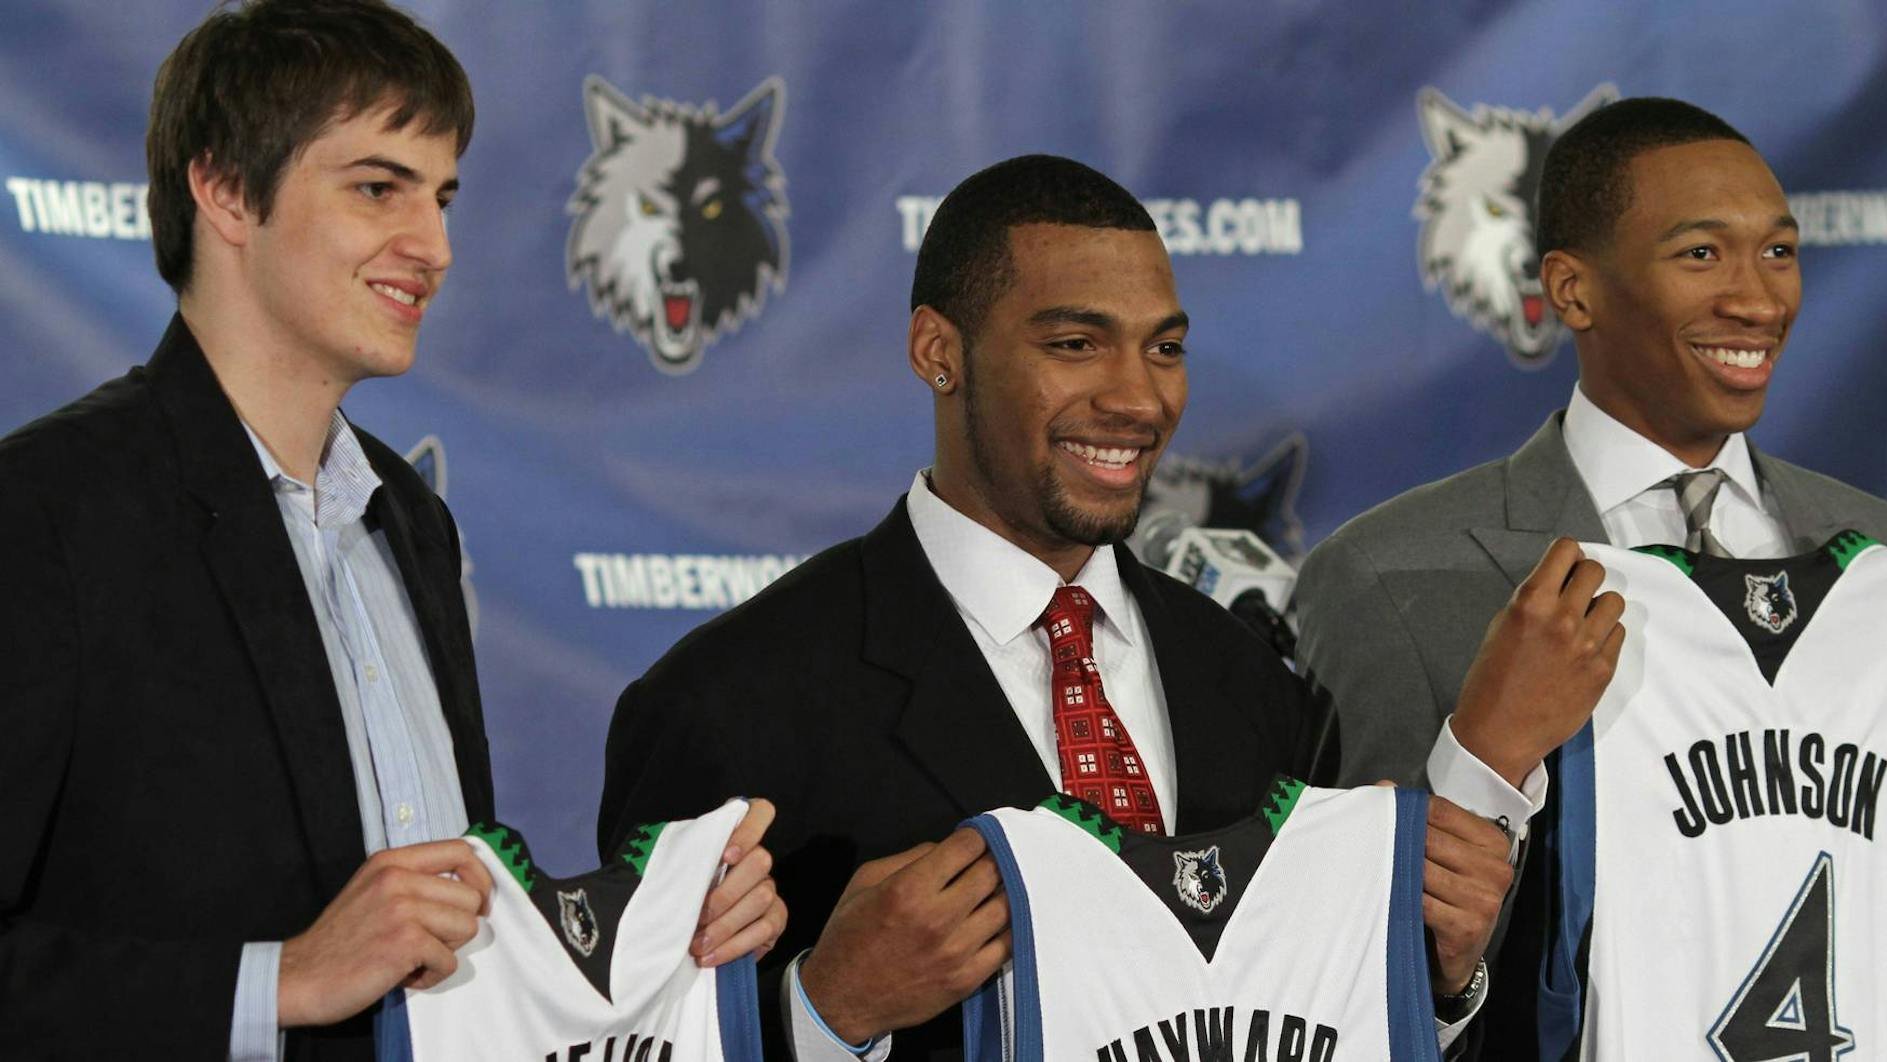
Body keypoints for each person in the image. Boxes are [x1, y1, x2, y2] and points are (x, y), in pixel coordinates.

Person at [598, 154, 1530, 1060]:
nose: (1136, 397)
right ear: (939, 351)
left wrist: (1436, 985)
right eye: (1075, 344)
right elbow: (639, 1041)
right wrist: (826, 1012)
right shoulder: (727, 704)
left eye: (1163, 348)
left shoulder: (1249, 681)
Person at [1292, 96, 1887, 1053]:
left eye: (1779, 252)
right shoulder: (1392, 578)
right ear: (1573, 291)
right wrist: (1487, 765)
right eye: (1701, 253)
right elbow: (1339, 989)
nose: (1757, 298)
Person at [0, 3, 780, 1057]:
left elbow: (438, 937)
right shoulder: (47, 509)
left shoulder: (411, 524)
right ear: (227, 189)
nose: (435, 246)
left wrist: (659, 933)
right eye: (378, 187)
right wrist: (277, 982)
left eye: (443, 197)